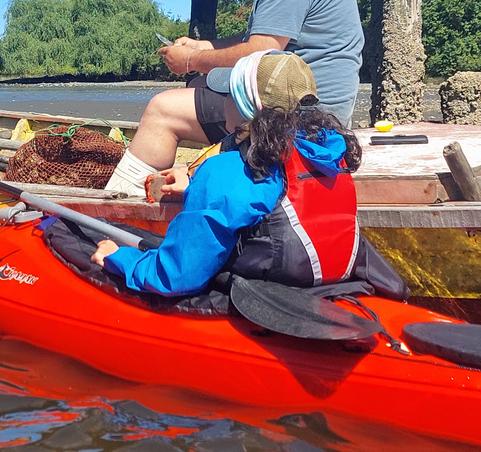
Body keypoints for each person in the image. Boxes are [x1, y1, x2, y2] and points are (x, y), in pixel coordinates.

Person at [106, 0, 363, 194]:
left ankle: (120, 206)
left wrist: (190, 59)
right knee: (199, 85)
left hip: (300, 115)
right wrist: (206, 47)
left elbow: (263, 48)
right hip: (301, 99)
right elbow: (261, 36)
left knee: (163, 109)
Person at [92, 51, 368, 298]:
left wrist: (120, 258)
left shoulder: (227, 171)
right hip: (328, 283)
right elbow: (271, 198)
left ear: (247, 107)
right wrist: (194, 186)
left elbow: (177, 276)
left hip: (272, 293)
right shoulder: (330, 153)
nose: (221, 102)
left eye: (228, 96)